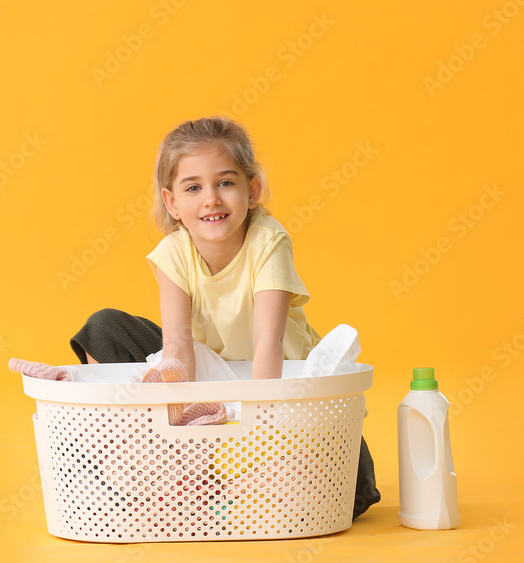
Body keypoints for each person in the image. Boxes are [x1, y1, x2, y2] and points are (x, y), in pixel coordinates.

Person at [69, 115, 380, 519]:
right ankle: (167, 474)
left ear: (252, 191)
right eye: (193, 187)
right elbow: (177, 346)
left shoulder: (268, 241)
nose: (211, 199)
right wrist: (175, 426)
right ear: (172, 203)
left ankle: (256, 482)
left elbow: (267, 343)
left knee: (351, 493)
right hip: (210, 374)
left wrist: (261, 431)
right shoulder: (173, 253)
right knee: (104, 326)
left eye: (225, 183)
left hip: (279, 381)